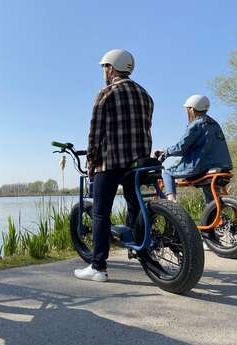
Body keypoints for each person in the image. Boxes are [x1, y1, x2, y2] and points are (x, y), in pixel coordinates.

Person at [74, 49, 154, 282]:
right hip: (138, 162)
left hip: (111, 162)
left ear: (111, 68)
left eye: (104, 68)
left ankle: (98, 267)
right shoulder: (145, 94)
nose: (103, 72)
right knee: (135, 205)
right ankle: (141, 249)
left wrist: (91, 161)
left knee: (100, 212)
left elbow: (95, 133)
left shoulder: (106, 93)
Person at [156, 95, 232, 203]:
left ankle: (171, 202)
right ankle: (218, 219)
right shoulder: (215, 124)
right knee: (212, 202)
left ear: (191, 110)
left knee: (167, 172)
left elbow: (181, 147)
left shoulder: (196, 125)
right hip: (222, 165)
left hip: (201, 167)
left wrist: (165, 152)